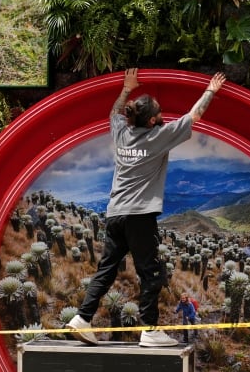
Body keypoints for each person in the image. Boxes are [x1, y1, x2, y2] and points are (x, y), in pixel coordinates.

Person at [67, 68, 227, 347]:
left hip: (115, 213)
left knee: (106, 270)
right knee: (150, 273)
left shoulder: (120, 133)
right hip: (139, 216)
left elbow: (114, 112)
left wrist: (127, 87)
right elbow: (195, 115)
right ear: (152, 120)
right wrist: (211, 90)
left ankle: (82, 319)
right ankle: (150, 331)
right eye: (160, 112)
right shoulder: (157, 137)